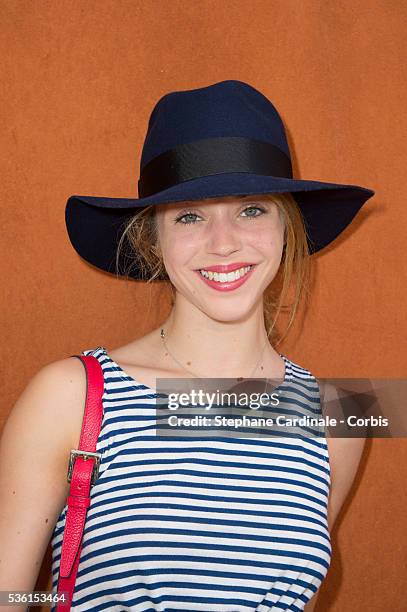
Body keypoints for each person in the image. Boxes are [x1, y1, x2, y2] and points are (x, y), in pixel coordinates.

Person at [0, 80, 374, 611]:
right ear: (153, 240)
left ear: (288, 225)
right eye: (190, 216)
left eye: (251, 210)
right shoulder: (71, 395)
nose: (224, 243)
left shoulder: (343, 413)